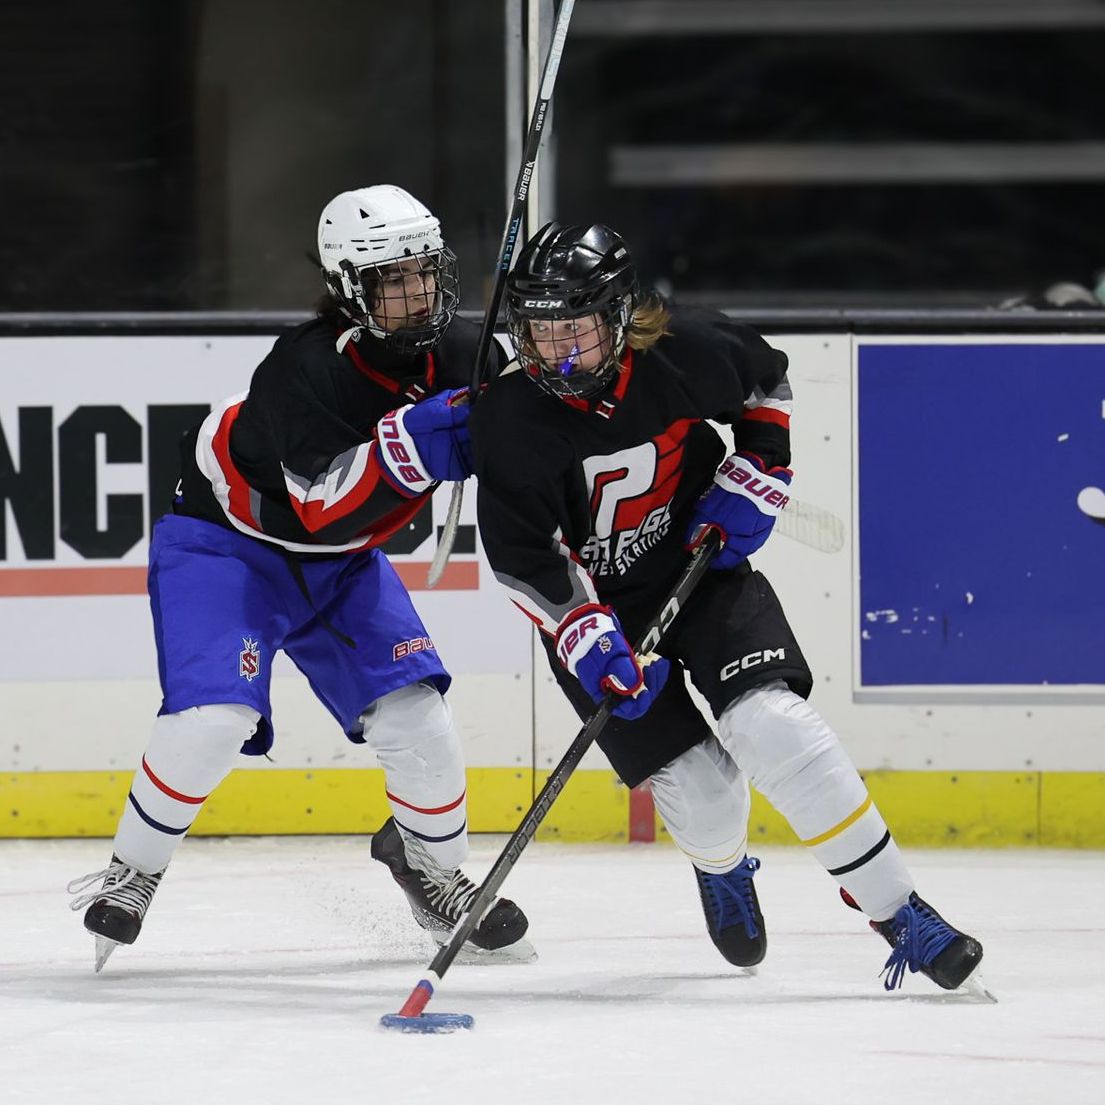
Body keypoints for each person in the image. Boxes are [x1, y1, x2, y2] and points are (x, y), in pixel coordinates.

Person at [469, 221, 983, 992]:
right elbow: (522, 557)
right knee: (705, 797)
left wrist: (758, 469)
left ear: (618, 315)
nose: (556, 352)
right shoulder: (508, 416)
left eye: (574, 328)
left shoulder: (685, 348)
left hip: (700, 569)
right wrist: (587, 636)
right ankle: (721, 864)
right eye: (539, 332)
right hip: (597, 614)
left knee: (773, 724)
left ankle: (897, 910)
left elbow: (765, 383)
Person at [67, 185, 528, 970]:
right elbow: (324, 509)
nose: (417, 291)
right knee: (213, 718)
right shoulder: (304, 367)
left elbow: (538, 435)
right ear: (350, 287)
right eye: (392, 278)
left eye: (424, 270)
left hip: (341, 567)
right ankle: (134, 868)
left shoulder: (467, 352)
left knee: (417, 713)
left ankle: (431, 869)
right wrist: (416, 440)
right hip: (228, 548)